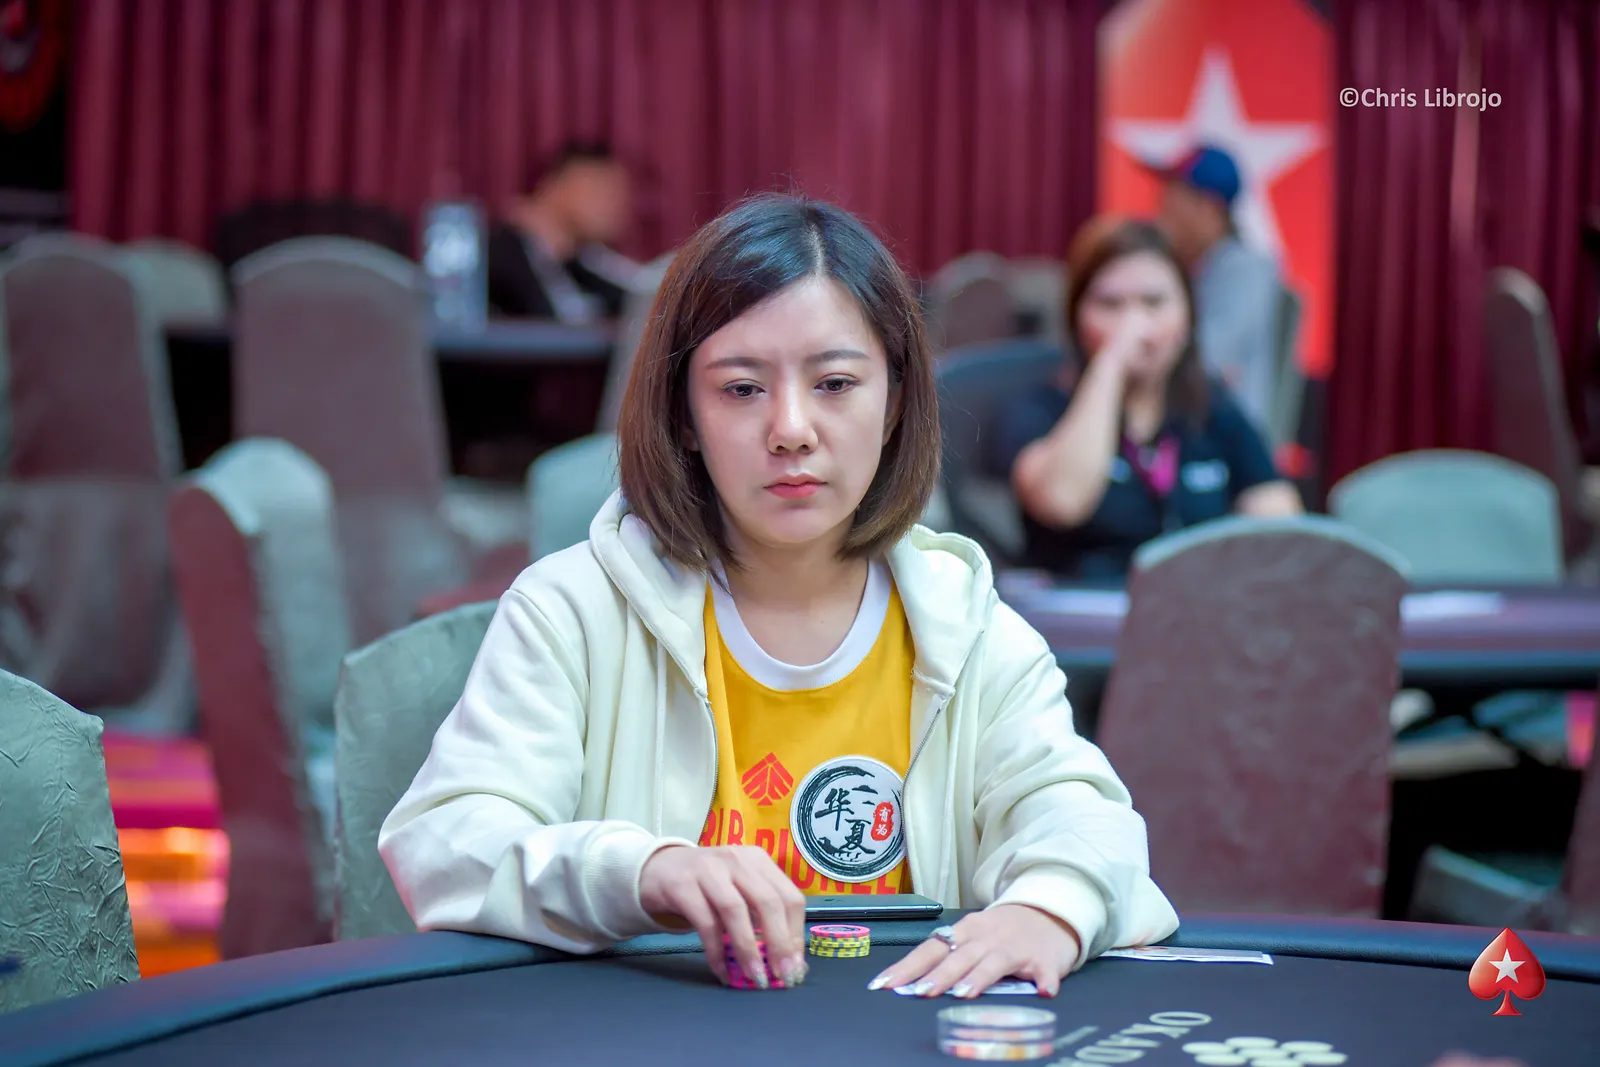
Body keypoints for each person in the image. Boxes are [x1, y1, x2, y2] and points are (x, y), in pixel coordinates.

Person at [379, 194, 1178, 998]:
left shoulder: (968, 627)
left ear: (895, 402)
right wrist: (643, 871)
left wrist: (1049, 908)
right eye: (741, 389)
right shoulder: (573, 611)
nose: (792, 428)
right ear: (683, 415)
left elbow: (1085, 820)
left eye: (835, 382)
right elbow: (444, 840)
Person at [998, 216, 1301, 580]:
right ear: (1077, 318)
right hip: (1082, 607)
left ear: (1187, 317)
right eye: (1110, 304)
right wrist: (1111, 363)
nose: (1134, 326)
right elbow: (1062, 501)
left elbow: (1281, 526)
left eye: (1154, 302)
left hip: (1191, 605)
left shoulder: (1213, 409)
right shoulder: (1040, 407)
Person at [1150, 144, 1282, 433]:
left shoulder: (1245, 268)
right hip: (1186, 424)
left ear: (1208, 208)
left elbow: (1207, 358)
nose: (1160, 206)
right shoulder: (1196, 266)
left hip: (1223, 438)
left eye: (1173, 195)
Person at [486, 141, 640, 321]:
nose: (616, 206)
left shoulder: (585, 262)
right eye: (602, 190)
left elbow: (642, 291)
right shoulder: (499, 256)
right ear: (554, 186)